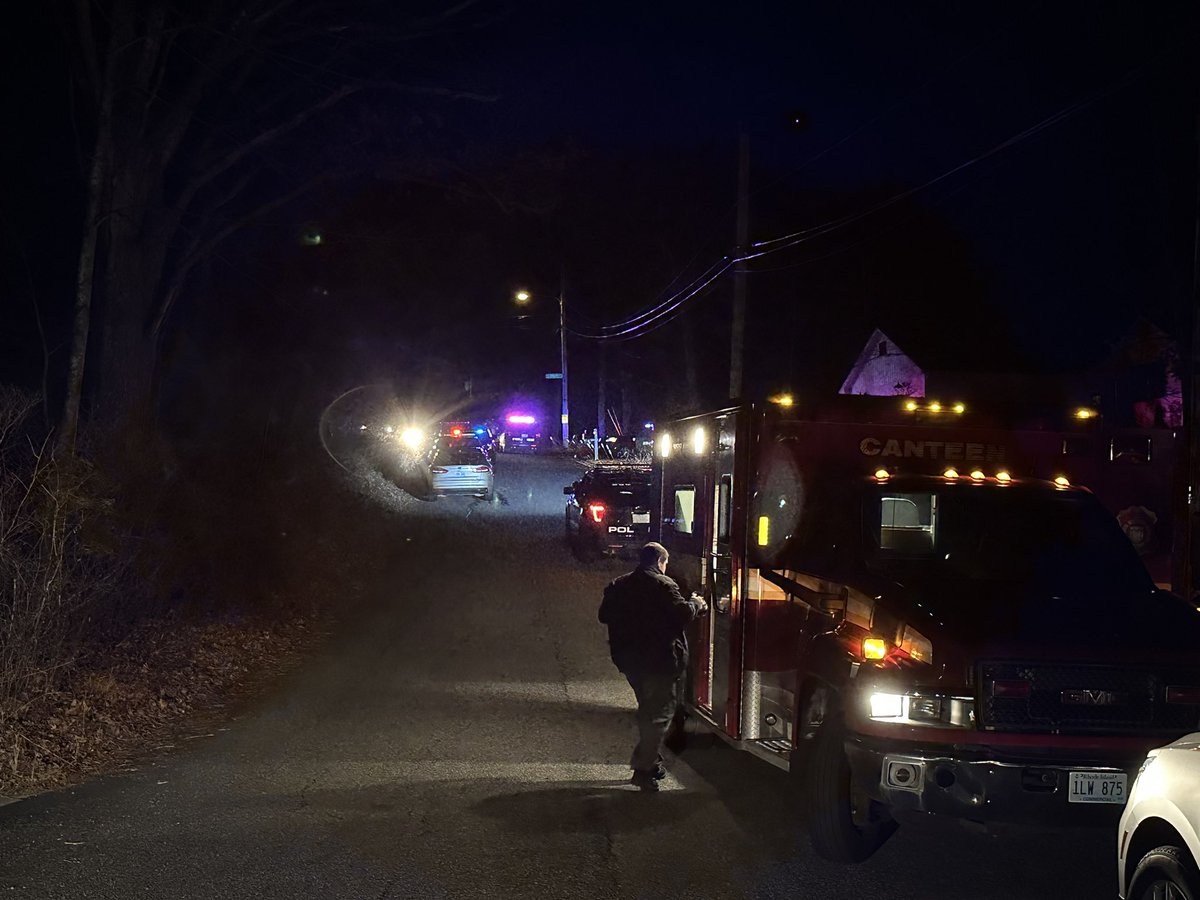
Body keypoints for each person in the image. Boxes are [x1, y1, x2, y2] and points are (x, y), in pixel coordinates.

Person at [598, 541, 708, 791]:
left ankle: (651, 762)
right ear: (661, 562)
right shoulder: (664, 585)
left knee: (648, 708)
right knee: (660, 714)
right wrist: (697, 605)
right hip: (660, 661)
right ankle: (644, 767)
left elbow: (603, 615)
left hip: (630, 660)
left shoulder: (619, 584)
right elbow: (682, 614)